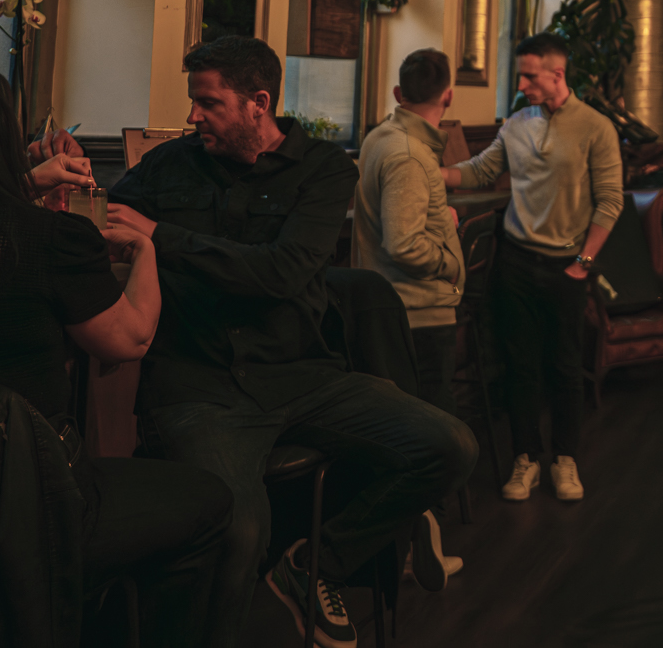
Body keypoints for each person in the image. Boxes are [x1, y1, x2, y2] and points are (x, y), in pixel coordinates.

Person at [0, 39, 233, 648]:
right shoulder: (46, 239)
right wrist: (147, 251)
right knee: (209, 503)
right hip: (24, 505)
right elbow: (129, 339)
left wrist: (23, 186)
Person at [111, 36, 477, 648]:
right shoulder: (170, 164)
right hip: (199, 384)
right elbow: (107, 218)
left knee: (449, 445)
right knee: (238, 531)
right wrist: (58, 183)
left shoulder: (325, 170)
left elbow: (280, 273)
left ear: (258, 103)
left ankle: (314, 565)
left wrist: (161, 236)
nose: (193, 115)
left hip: (302, 376)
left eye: (208, 102)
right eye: (194, 100)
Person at [445, 32, 620, 505]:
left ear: (557, 74)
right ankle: (526, 459)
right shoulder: (517, 124)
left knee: (564, 366)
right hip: (515, 262)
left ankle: (565, 459)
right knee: (519, 365)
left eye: (529, 76)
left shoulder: (596, 127)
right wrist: (431, 172)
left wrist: (583, 264)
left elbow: (610, 202)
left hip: (567, 267)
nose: (521, 85)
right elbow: (481, 170)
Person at [353, 46, 467, 583]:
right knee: (434, 439)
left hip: (390, 309)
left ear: (399, 93)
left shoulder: (381, 137)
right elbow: (403, 244)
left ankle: (406, 547)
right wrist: (449, 262)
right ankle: (418, 552)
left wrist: (440, 218)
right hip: (417, 314)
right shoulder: (410, 155)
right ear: (449, 96)